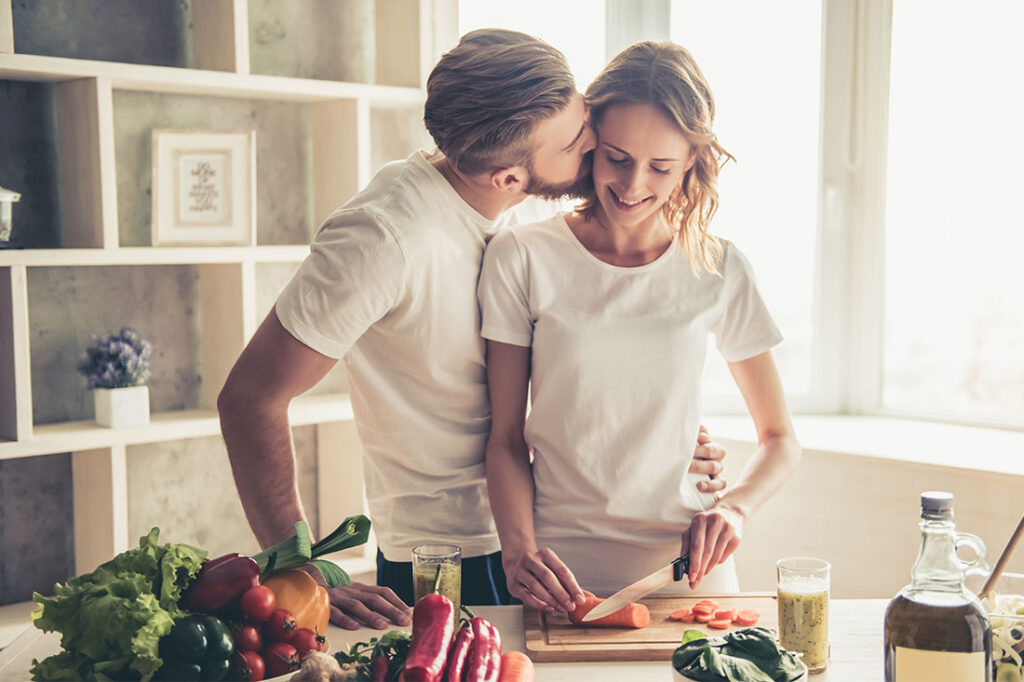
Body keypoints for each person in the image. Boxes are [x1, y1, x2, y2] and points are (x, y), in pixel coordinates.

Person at [218, 30, 729, 630]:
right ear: (509, 176)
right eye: (575, 139)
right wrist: (297, 568)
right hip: (450, 555)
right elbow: (250, 397)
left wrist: (664, 439)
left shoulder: (518, 199)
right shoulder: (381, 239)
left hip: (545, 532)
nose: (594, 142)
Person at [478, 40, 802, 613]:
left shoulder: (718, 267)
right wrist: (517, 551)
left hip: (689, 573)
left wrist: (735, 508)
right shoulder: (522, 255)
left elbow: (779, 439)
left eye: (661, 167)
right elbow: (504, 438)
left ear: (691, 165)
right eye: (617, 158)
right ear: (589, 147)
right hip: (559, 576)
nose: (632, 187)